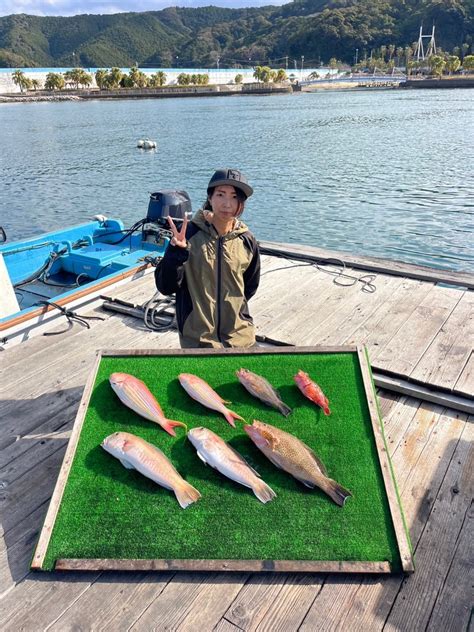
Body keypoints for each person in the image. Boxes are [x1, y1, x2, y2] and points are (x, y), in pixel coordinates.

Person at [155, 168, 260, 348]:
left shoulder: (247, 240)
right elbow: (166, 286)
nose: (227, 204)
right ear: (210, 198)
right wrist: (175, 253)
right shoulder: (187, 236)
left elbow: (249, 286)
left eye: (234, 197)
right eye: (220, 194)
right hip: (198, 340)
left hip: (241, 338)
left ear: (242, 203)